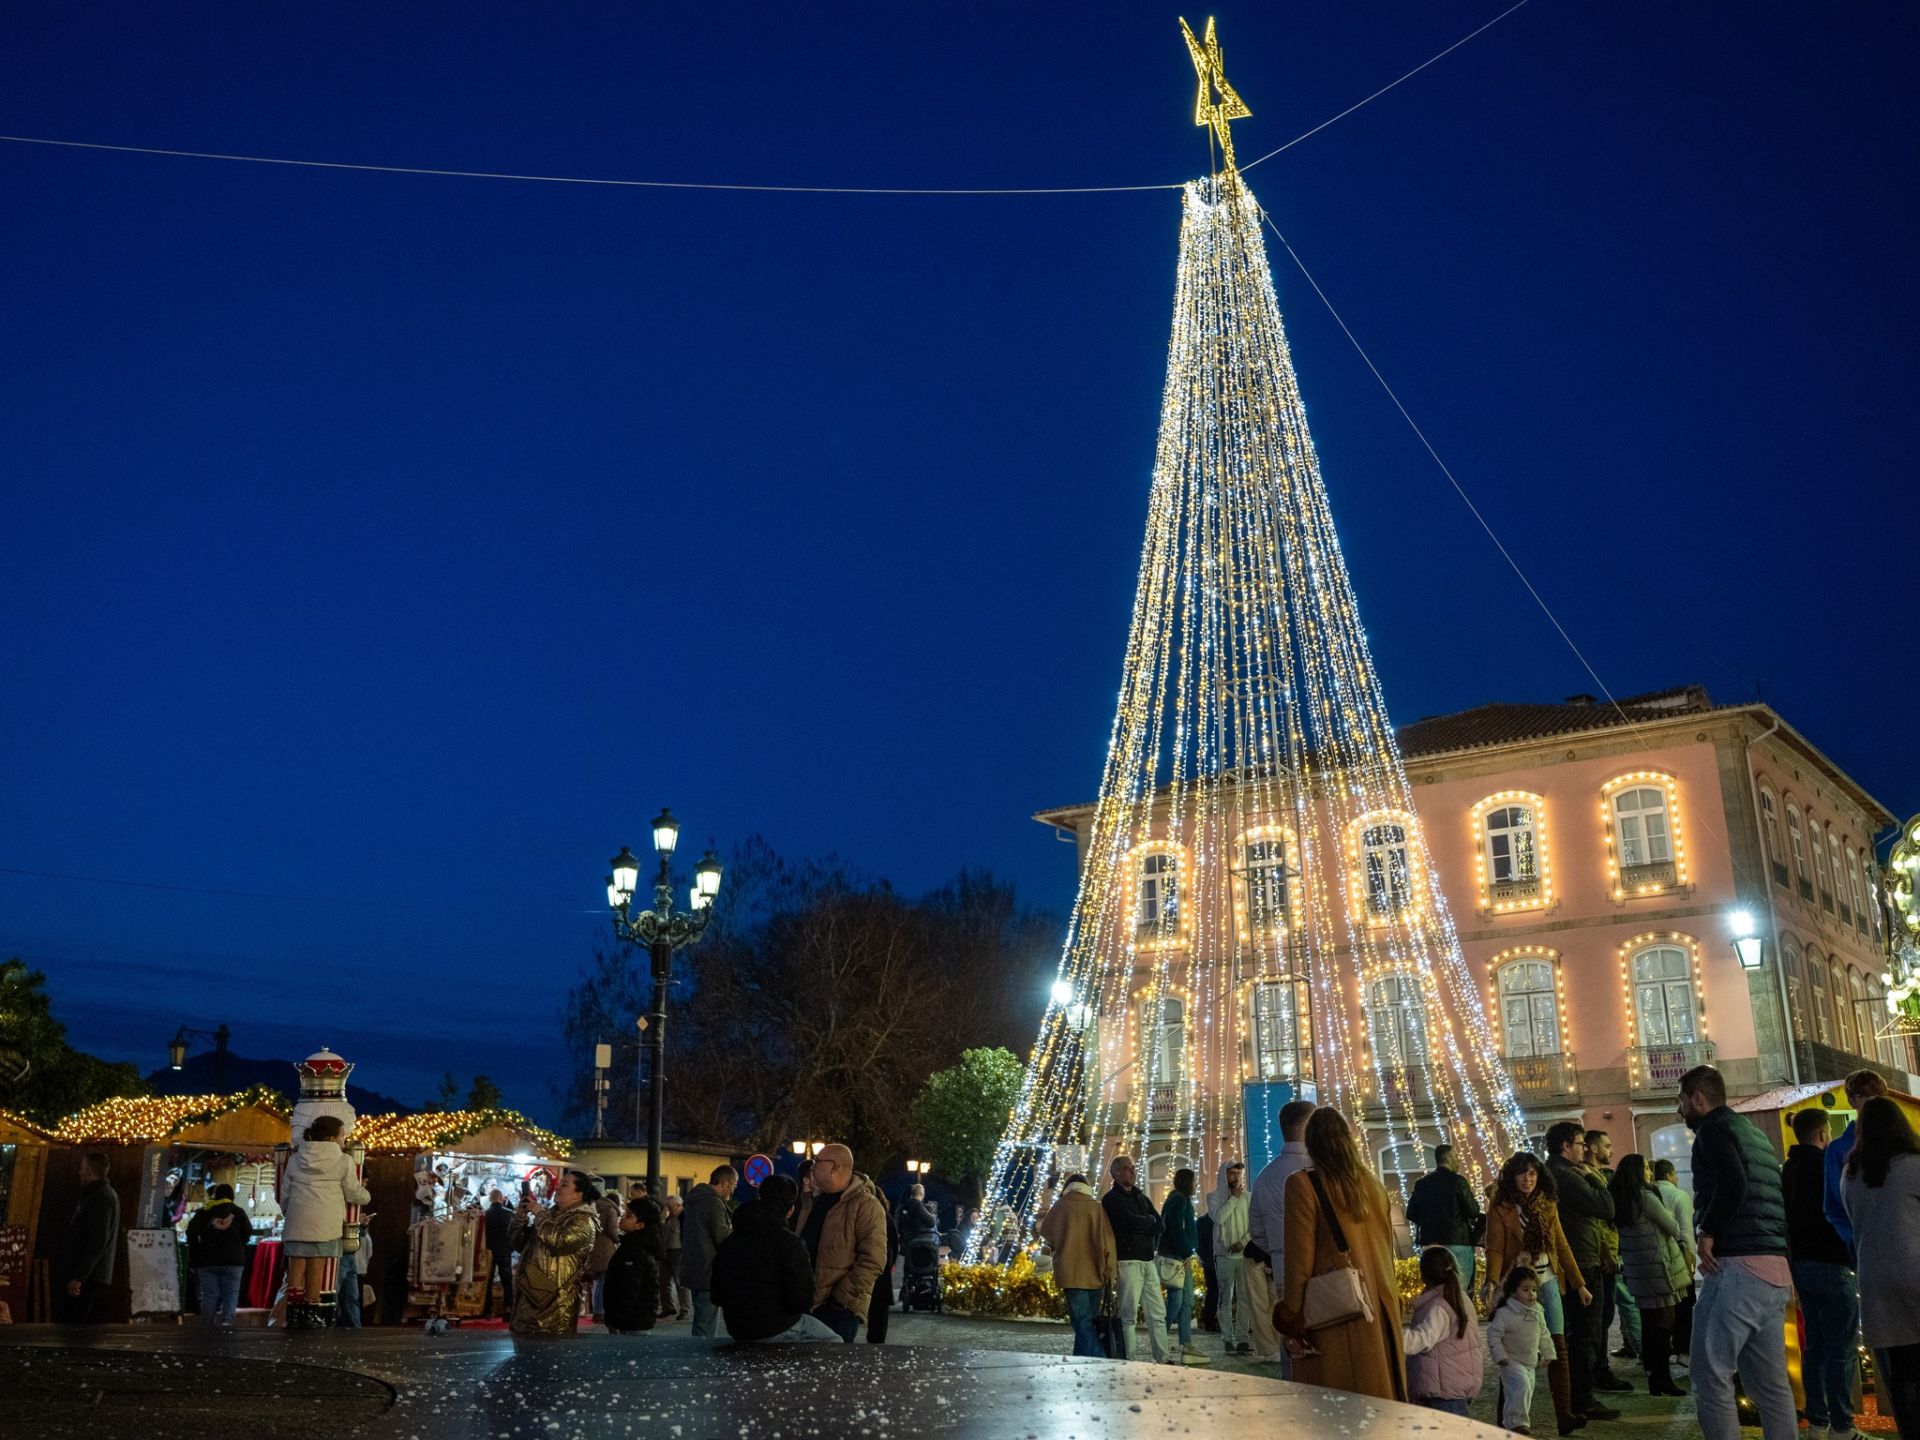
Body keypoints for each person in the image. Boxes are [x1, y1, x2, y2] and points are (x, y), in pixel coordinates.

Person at [1677, 1063, 1795, 1440]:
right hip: (1773, 1269)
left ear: (1698, 1098)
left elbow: (1734, 1184)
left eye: (1681, 1101)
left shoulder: (1714, 1130)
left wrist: (1708, 1230)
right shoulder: (1755, 1135)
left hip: (1738, 1266)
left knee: (1710, 1374)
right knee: (1772, 1386)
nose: (1679, 1110)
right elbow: (1774, 1198)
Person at [1273, 1107, 1407, 1403]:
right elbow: (1387, 1250)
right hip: (1379, 1313)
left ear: (1312, 1143)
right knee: (1378, 1405)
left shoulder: (1303, 1184)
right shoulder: (1372, 1184)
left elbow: (1299, 1261)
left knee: (1337, 1411)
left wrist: (1292, 1315)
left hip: (1337, 1318)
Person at [1483, 1151, 1589, 1435]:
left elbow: (1561, 1245)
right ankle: (1508, 1420)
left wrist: (1579, 1284)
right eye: (1521, 1173)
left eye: (1532, 1173)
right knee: (1514, 1354)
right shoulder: (1500, 1208)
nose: (1527, 1179)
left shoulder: (1548, 1204)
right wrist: (1492, 1281)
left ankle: (1564, 1415)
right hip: (1516, 1285)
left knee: (1557, 1346)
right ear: (1511, 1176)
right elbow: (1494, 1247)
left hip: (1548, 1279)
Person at [1841, 1095, 1920, 1438]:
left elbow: (1850, 1220)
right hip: (1915, 1273)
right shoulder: (1914, 1165)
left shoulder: (1851, 1174)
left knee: (1900, 1376)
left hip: (1874, 1283)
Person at [1783, 1107, 1860, 1440]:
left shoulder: (1788, 1170)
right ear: (1824, 1134)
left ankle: (1817, 1423)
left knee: (1814, 1345)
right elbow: (1838, 1212)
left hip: (1801, 1265)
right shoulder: (1825, 1167)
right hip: (1831, 1262)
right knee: (1841, 1348)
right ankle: (1842, 1426)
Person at [1544, 1122, 1620, 1420]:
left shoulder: (1558, 1173)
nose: (1584, 1149)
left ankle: (1579, 1394)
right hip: (1581, 1262)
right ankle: (1582, 1398)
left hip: (1580, 1258)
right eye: (1579, 1143)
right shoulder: (1567, 1176)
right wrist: (1596, 1179)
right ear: (1565, 1146)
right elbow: (1606, 1207)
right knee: (1586, 1333)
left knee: (1582, 1332)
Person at [711, 1174, 839, 1343]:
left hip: (737, 1328)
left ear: (760, 1197)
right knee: (835, 1341)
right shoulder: (789, 1243)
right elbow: (802, 1299)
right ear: (791, 1210)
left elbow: (716, 1295)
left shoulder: (731, 1241)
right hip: (777, 1326)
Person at [1609, 1152, 1692, 1395]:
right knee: (1664, 1324)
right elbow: (1673, 1226)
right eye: (1646, 1168)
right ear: (1638, 1172)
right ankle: (1661, 1378)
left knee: (1649, 1322)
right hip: (1659, 1267)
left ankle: (1655, 1375)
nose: (1649, 1173)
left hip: (1639, 1271)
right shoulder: (1645, 1197)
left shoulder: (1621, 1200)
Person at [280, 1116, 371, 1329]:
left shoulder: (296, 1159)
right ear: (331, 1137)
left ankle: (293, 1313)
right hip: (325, 1223)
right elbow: (352, 1191)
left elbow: (285, 1192)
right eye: (342, 1136)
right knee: (316, 1267)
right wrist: (366, 1196)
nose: (343, 1141)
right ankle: (312, 1313)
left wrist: (288, 1211)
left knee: (297, 1267)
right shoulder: (343, 1160)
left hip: (297, 1221)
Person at [1248, 1098, 1315, 1370]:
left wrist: (1277, 1249)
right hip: (1317, 1268)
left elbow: (1257, 1232)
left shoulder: (1265, 1176)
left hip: (1282, 1266)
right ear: (1307, 1127)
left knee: (1290, 1332)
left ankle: (1292, 1384)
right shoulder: (1317, 1170)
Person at [797, 1143, 887, 1342]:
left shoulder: (866, 1205)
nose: (812, 1167)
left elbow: (873, 1259)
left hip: (838, 1309)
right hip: (805, 1303)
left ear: (835, 1166)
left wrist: (841, 1299)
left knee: (830, 1367)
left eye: (817, 1162)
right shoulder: (809, 1201)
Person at [508, 1169, 601, 1335]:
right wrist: (521, 1217)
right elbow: (519, 1244)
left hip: (555, 1305)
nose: (558, 1188)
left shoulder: (584, 1220)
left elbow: (559, 1242)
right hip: (528, 1297)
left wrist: (540, 1214)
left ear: (577, 1195)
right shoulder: (549, 1215)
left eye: (564, 1185)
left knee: (550, 1355)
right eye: (559, 1184)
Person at [1037, 1170, 1117, 1357]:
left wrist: (1060, 1241)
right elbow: (1109, 1242)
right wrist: (1110, 1271)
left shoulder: (1061, 1206)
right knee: (1088, 1320)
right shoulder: (1095, 1207)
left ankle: (1100, 1359)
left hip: (1070, 1272)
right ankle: (1082, 1359)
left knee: (1081, 1322)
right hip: (1096, 1272)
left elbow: (1046, 1231)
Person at [1103, 1154, 1171, 1364]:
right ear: (1115, 1173)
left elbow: (1160, 1224)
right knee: (1128, 1313)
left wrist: (1145, 1223)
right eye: (1126, 1168)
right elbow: (1126, 1222)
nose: (1132, 1171)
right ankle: (1129, 1358)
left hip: (1147, 1261)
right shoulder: (1111, 1199)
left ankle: (1163, 1356)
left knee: (1157, 1313)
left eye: (1132, 1168)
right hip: (1127, 1261)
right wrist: (1146, 1222)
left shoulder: (1141, 1197)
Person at [1402, 1246, 1486, 1417]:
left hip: (1444, 1390)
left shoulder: (1439, 1307)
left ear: (1424, 1276)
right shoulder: (1460, 1299)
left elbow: (1422, 1339)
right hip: (1455, 1383)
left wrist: (1393, 1335)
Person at [1586, 1129, 1641, 1369]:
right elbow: (1595, 1220)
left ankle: (1600, 1366)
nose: (1612, 1150)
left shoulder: (1597, 1175)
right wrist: (1606, 1252)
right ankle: (1598, 1368)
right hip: (1600, 1256)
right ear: (1594, 1148)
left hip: (1607, 1252)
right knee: (1602, 1314)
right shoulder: (1589, 1177)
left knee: (1607, 1313)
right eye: (1607, 1146)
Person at [1488, 1264, 1559, 1435]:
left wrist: (1549, 1352)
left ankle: (1508, 1422)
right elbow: (1493, 1335)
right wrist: (1500, 1356)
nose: (1531, 1294)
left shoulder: (1537, 1312)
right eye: (1525, 1290)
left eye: (1534, 1290)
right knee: (1522, 1386)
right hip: (1510, 1361)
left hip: (1530, 1362)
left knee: (1521, 1394)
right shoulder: (1505, 1313)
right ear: (1513, 1292)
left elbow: (1544, 1333)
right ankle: (1518, 1423)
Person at [1404, 1143, 1482, 1295]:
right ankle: (1460, 1317)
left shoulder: (1422, 1183)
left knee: (1436, 1290)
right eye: (1456, 1157)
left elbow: (1411, 1213)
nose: (1459, 1161)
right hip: (1458, 1242)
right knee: (1460, 1291)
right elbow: (1473, 1211)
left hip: (1431, 1245)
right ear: (1448, 1158)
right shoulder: (1459, 1181)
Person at [1824, 1068, 1887, 1253]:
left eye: (1878, 1097)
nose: (1874, 1103)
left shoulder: (1900, 1141)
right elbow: (1834, 1206)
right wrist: (1855, 1240)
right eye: (1866, 1097)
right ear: (1852, 1100)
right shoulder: (1838, 1150)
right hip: (1865, 1248)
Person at [679, 1164, 738, 1338]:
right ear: (725, 1183)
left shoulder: (694, 1200)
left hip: (693, 1265)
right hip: (708, 1269)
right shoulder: (713, 1202)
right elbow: (722, 1237)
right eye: (733, 1187)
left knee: (701, 1317)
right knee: (706, 1322)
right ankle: (701, 1359)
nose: (732, 1192)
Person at [185, 1181, 251, 1327]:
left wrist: (198, 1249)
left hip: (207, 1260)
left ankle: (208, 1323)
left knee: (209, 1294)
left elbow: (191, 1233)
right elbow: (248, 1232)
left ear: (215, 1196)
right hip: (233, 1260)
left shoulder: (204, 1211)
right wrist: (238, 1244)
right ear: (231, 1196)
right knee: (231, 1293)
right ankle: (227, 1321)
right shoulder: (238, 1211)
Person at [1158, 1167, 1207, 1364]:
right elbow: (1176, 1227)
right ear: (1188, 1182)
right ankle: (1164, 1339)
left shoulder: (1176, 1198)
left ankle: (1186, 1344)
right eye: (1194, 1181)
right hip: (1177, 1258)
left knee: (1183, 1301)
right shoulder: (1180, 1200)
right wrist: (1186, 1250)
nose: (1196, 1185)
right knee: (1178, 1301)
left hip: (1177, 1256)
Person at [1651, 1158, 1696, 1356]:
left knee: (1662, 1308)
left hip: (1657, 1258)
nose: (1677, 1178)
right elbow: (1685, 1231)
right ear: (1669, 1175)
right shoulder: (1679, 1195)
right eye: (1676, 1174)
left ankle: (1658, 1352)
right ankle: (1683, 1348)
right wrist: (1691, 1259)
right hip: (1678, 1257)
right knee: (1685, 1305)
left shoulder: (1649, 1194)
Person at [603, 1197, 663, 1333]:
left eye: (629, 1216)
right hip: (634, 1320)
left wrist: (616, 1320)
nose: (623, 1217)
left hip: (632, 1322)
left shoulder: (634, 1250)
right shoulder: (633, 1245)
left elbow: (628, 1290)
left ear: (640, 1225)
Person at [1211, 1161, 1252, 1354]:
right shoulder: (1214, 1198)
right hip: (1224, 1256)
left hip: (1243, 1256)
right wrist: (1233, 1198)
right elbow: (1219, 1218)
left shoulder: (1248, 1198)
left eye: (1238, 1173)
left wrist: (1243, 1243)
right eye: (1231, 1173)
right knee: (1225, 1299)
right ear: (1223, 1176)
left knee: (1244, 1298)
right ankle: (1227, 1338)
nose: (1235, 1177)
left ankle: (1243, 1339)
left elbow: (1253, 1226)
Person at [865, 1179, 899, 1344]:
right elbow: (895, 1244)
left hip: (869, 1266)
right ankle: (877, 1340)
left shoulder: (867, 1218)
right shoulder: (888, 1219)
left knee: (873, 1303)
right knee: (880, 1308)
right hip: (883, 1268)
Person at [481, 1188, 516, 1319]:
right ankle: (508, 1308)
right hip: (504, 1250)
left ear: (490, 1199)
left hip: (489, 1250)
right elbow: (514, 1233)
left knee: (488, 1281)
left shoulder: (485, 1215)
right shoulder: (509, 1214)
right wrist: (510, 1247)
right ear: (502, 1199)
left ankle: (487, 1310)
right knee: (506, 1280)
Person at [658, 1193, 685, 1320]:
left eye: (670, 1207)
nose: (669, 1210)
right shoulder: (671, 1218)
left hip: (678, 1252)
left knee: (680, 1283)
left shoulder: (684, 1217)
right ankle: (668, 1307)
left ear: (678, 1205)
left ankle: (684, 1310)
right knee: (664, 1282)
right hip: (667, 1252)